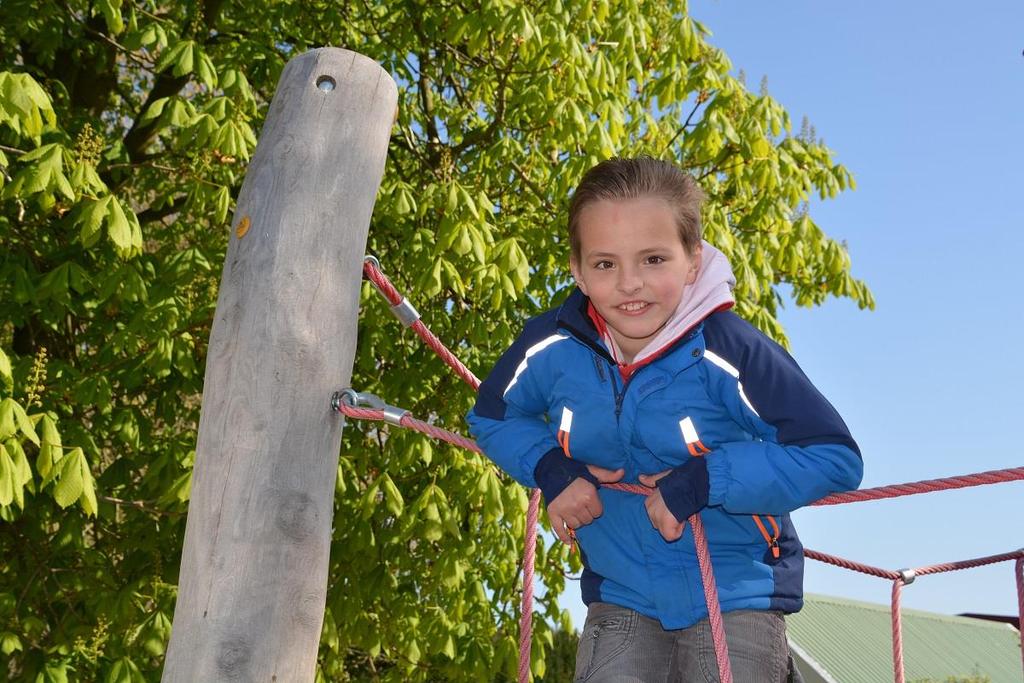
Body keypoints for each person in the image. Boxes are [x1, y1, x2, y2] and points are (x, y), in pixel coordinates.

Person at [466, 156, 862, 682]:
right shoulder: (551, 346)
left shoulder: (728, 349)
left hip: (735, 591)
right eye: (606, 264)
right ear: (578, 271)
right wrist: (553, 471)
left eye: (653, 259)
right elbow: (494, 415)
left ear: (693, 260)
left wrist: (706, 478)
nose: (630, 284)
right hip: (621, 590)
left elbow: (831, 456)